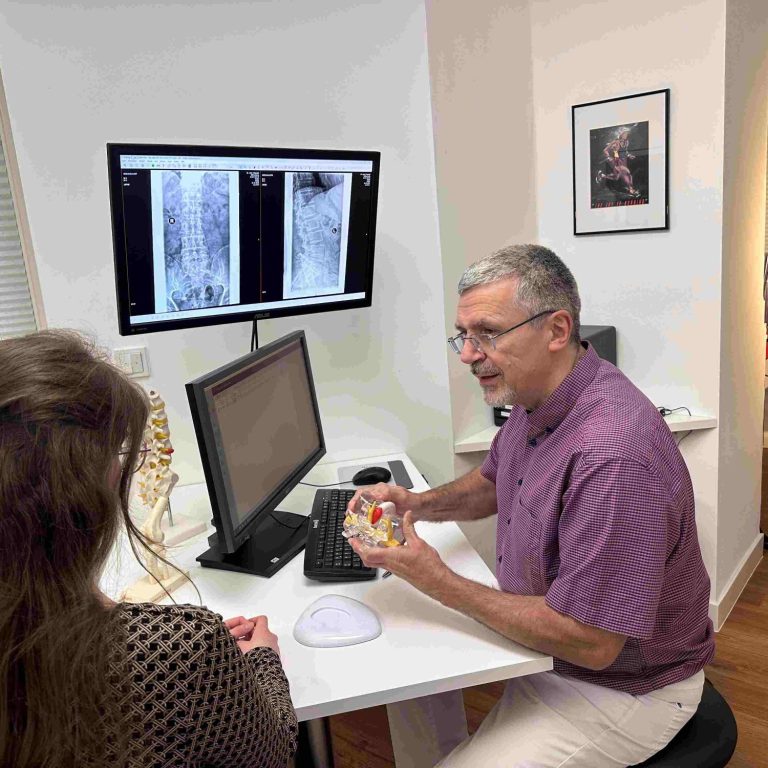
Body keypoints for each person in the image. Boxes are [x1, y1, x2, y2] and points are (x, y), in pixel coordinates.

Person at [349, 244, 715, 767]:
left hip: (622, 688)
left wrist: (438, 579)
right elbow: (494, 481)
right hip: (552, 649)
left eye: (487, 333)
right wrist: (417, 503)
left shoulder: (613, 455)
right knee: (404, 654)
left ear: (557, 330)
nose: (467, 355)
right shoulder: (538, 394)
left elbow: (593, 642)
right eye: (463, 335)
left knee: (424, 606)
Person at [0, 330, 298, 768]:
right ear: (88, 494)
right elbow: (274, 754)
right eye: (120, 454)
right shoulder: (182, 647)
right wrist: (262, 661)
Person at [595, 127, 641, 198]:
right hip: (617, 160)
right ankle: (631, 189)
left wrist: (629, 155)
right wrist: (609, 157)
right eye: (624, 133)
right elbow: (605, 150)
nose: (626, 135)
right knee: (627, 173)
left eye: (627, 134)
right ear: (621, 134)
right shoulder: (616, 142)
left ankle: (602, 175)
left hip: (624, 160)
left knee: (616, 177)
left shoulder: (626, 142)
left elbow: (625, 151)